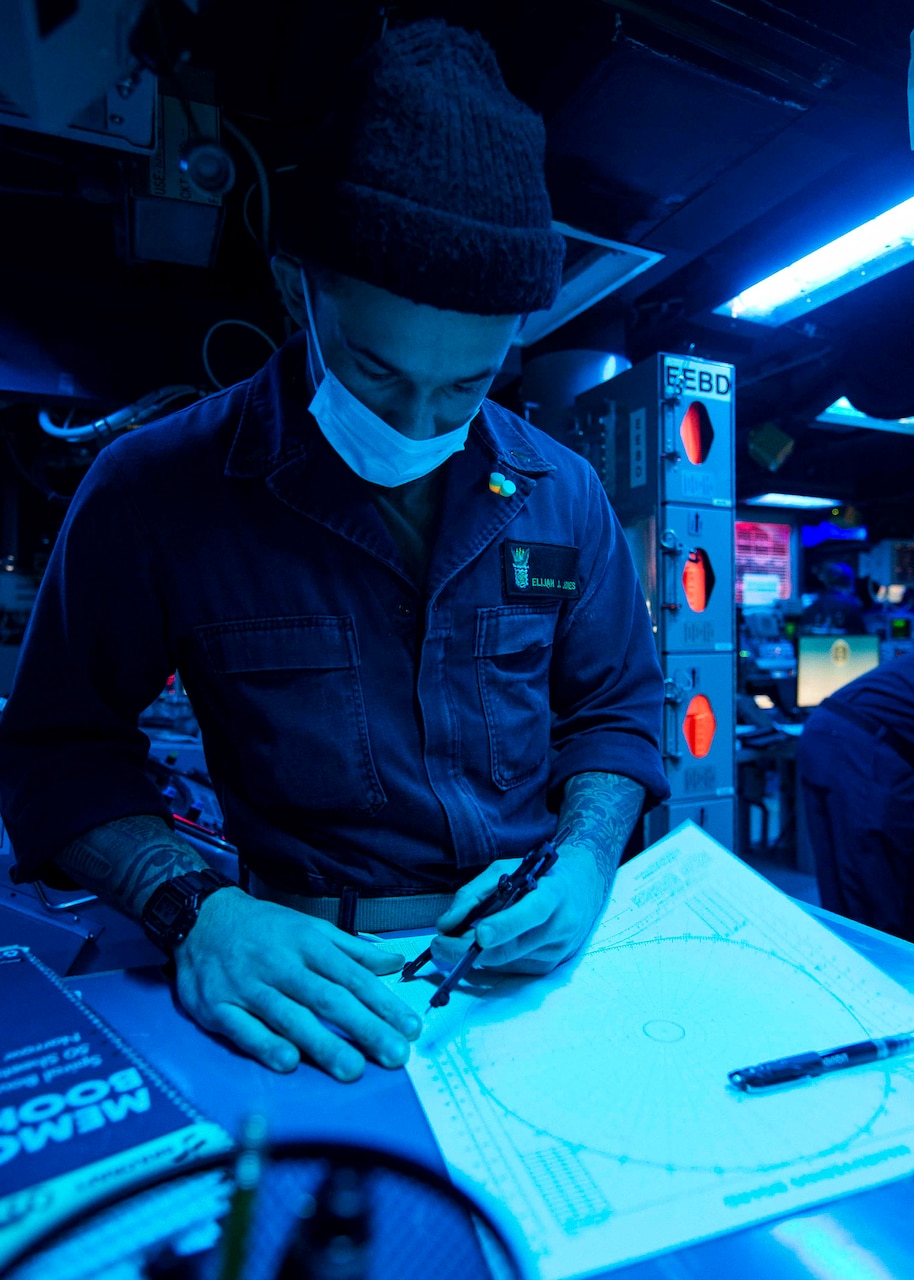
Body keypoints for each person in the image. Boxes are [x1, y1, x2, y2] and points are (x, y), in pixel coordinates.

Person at [0, 20, 669, 1081]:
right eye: (374, 369)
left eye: (465, 385)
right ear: (296, 284)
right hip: (303, 982)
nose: (415, 425)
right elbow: (52, 749)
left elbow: (616, 712)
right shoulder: (155, 488)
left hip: (530, 968)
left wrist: (585, 861)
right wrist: (191, 907)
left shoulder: (563, 491)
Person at [797, 651, 914, 941]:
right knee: (878, 896)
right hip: (864, 748)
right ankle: (881, 980)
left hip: (827, 733)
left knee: (844, 889)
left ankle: (855, 974)